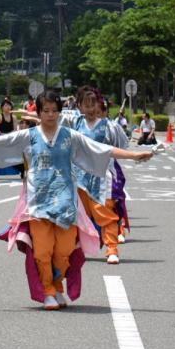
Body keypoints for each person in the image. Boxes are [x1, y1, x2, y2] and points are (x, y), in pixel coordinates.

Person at [0, 92, 152, 309]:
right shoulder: (29, 135)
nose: (50, 114)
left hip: (65, 200)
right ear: (38, 112)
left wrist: (133, 155)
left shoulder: (69, 136)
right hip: (38, 201)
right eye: (45, 111)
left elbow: (101, 150)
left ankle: (57, 284)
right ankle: (48, 290)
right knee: (43, 250)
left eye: (54, 110)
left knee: (64, 250)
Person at [63, 87, 130, 264]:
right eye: (87, 105)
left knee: (105, 212)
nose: (91, 109)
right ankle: (76, 248)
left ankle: (111, 249)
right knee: (77, 214)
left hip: (101, 176)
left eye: (94, 104)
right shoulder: (74, 122)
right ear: (79, 106)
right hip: (79, 176)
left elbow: (122, 145)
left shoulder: (109, 126)